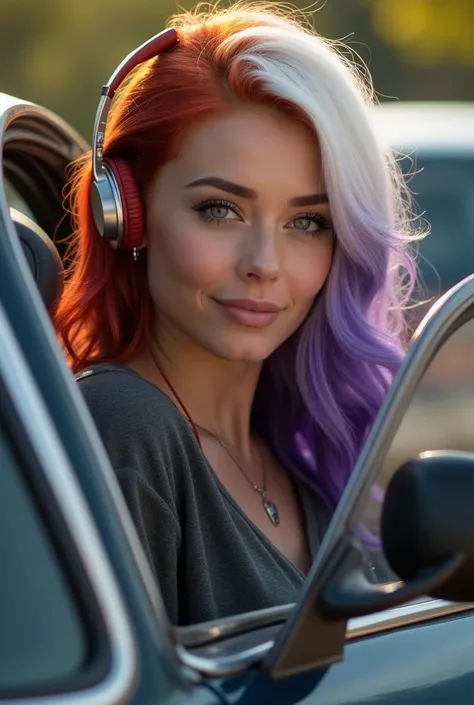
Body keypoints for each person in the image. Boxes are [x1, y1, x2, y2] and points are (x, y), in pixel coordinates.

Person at [54, 1, 420, 626]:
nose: (265, 263)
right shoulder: (126, 428)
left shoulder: (297, 453)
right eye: (220, 209)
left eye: (308, 222)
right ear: (126, 215)